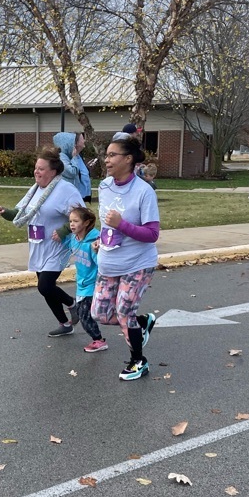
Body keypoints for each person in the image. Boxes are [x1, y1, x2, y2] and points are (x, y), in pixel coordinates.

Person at [0, 146, 83, 335]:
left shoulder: (66, 190)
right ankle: (65, 324)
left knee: (45, 285)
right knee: (45, 289)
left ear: (53, 171)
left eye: (41, 169)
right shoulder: (35, 189)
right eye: (36, 168)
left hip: (58, 245)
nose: (36, 171)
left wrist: (63, 230)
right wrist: (6, 213)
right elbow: (21, 213)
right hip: (38, 245)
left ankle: (72, 304)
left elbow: (81, 216)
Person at [92, 136, 159, 381]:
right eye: (107, 155)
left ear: (128, 159)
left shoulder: (144, 191)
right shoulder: (104, 186)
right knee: (99, 313)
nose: (107, 159)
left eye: (112, 155)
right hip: (109, 260)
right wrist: (102, 238)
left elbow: (152, 234)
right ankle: (141, 323)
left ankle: (138, 361)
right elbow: (106, 222)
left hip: (138, 262)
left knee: (123, 312)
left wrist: (122, 224)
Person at [60, 205, 107, 352]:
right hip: (81, 283)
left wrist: (98, 250)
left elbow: (101, 265)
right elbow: (66, 244)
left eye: (75, 221)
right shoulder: (75, 239)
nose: (72, 224)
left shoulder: (93, 242)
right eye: (70, 221)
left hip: (92, 284)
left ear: (86, 223)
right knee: (86, 314)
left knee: (84, 315)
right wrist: (58, 235)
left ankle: (99, 340)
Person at [53, 132, 92, 199]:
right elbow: (72, 172)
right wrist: (74, 158)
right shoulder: (61, 157)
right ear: (68, 143)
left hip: (73, 193)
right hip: (67, 194)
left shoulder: (68, 156)